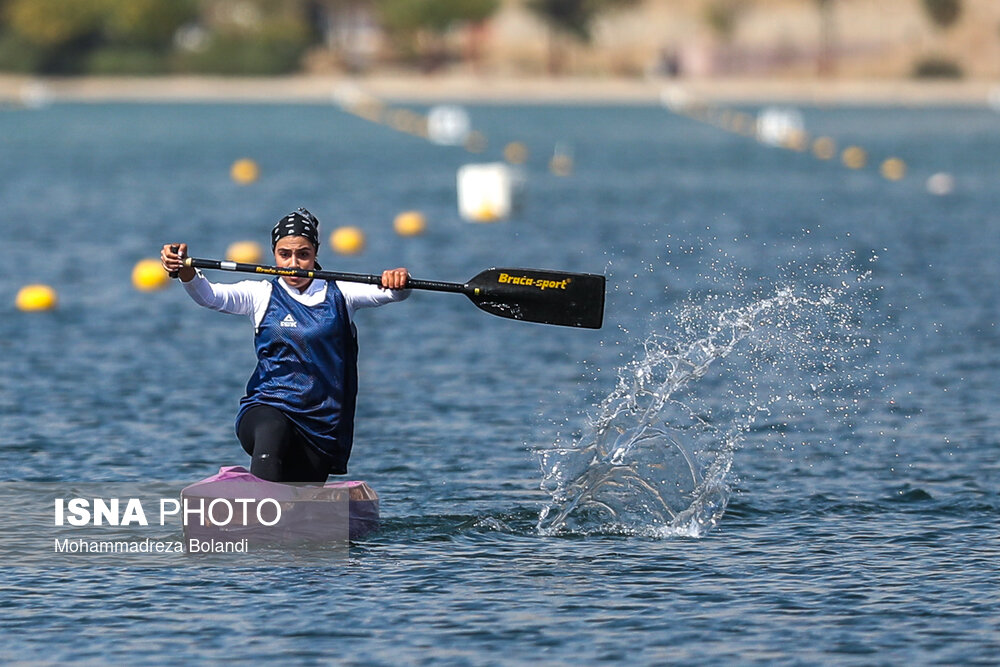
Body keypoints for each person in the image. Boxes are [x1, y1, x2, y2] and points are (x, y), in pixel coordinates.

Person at [161, 207, 410, 484]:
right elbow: (209, 296)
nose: (294, 263)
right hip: (266, 409)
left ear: (315, 253)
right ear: (274, 254)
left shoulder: (342, 293)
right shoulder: (261, 294)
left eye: (303, 254)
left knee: (296, 491)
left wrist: (398, 280)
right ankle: (258, 509)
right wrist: (185, 271)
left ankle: (273, 501)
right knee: (273, 428)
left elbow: (393, 294)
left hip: (321, 427)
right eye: (285, 254)